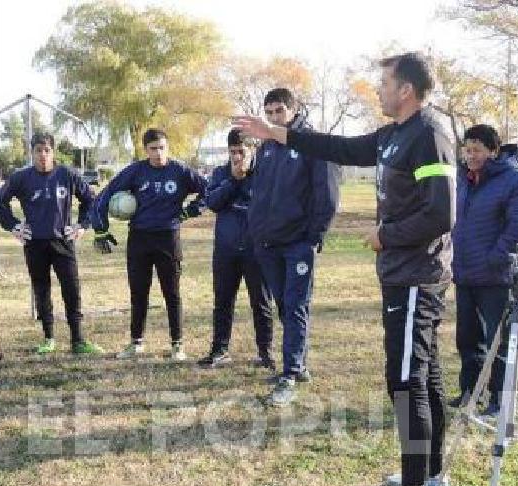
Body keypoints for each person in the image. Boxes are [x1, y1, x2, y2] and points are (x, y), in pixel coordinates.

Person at [234, 51, 454, 486]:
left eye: (385, 82)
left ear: (407, 90)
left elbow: (441, 213)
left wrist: (385, 236)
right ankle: (432, 475)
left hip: (416, 275)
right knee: (426, 375)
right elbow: (339, 147)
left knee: (407, 383)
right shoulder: (393, 136)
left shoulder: (429, 135)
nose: (378, 89)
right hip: (401, 274)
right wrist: (277, 133)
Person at [246, 88, 339, 407]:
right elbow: (258, 192)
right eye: (269, 112)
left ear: (293, 110)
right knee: (284, 306)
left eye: (279, 112)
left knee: (296, 304)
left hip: (298, 243)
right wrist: (256, 231)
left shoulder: (313, 144)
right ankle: (297, 364)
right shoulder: (267, 146)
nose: (273, 118)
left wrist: (313, 236)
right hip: (267, 243)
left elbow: (326, 194)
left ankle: (290, 373)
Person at [90, 128, 207, 360]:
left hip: (168, 238)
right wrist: (100, 229)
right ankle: (136, 343)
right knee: (138, 292)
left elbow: (210, 190)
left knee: (171, 293)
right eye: (153, 149)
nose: (158, 153)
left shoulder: (181, 171)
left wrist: (191, 211)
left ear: (168, 147)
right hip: (139, 239)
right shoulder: (135, 171)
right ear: (146, 150)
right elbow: (105, 195)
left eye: (162, 147)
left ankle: (177, 345)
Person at [450, 124, 518, 417]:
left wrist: (495, 258)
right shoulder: (462, 177)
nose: (470, 156)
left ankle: (501, 400)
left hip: (495, 275)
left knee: (498, 340)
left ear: (493, 151)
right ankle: (470, 392)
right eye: (467, 149)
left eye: (477, 150)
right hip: (464, 273)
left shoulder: (513, 179)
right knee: (467, 339)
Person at [0, 132, 104, 356]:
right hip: (35, 244)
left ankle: (78, 340)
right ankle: (48, 338)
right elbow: (0, 201)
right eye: (38, 151)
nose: (43, 155)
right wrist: (14, 226)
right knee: (42, 290)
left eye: (47, 150)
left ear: (53, 152)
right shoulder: (21, 177)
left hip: (63, 242)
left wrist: (82, 226)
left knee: (72, 290)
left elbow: (91, 200)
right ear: (32, 152)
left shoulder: (67, 174)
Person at [196, 129, 274, 369]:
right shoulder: (221, 172)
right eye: (232, 152)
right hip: (226, 249)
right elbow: (213, 203)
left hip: (256, 249)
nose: (237, 157)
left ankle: (265, 352)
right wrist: (233, 180)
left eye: (241, 152)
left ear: (253, 150)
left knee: (261, 302)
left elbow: (271, 206)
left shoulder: (264, 173)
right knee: (222, 301)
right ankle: (219, 349)